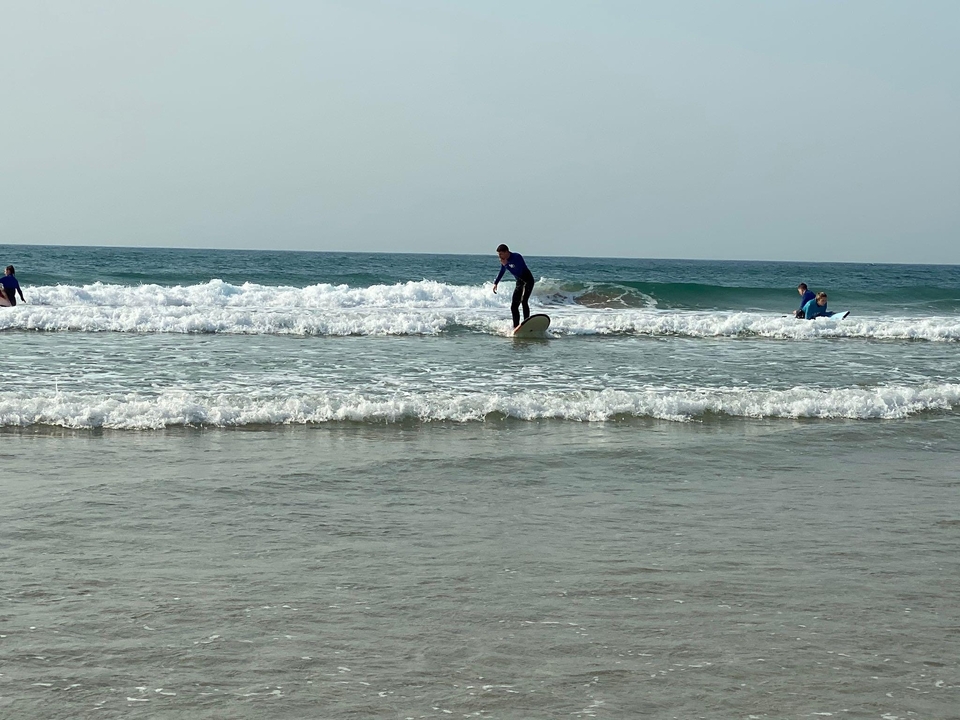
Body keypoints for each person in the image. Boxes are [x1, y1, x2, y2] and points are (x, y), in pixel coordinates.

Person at [492, 244, 535, 330]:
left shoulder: (517, 257)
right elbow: (502, 271)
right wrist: (496, 283)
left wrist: (507, 265)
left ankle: (526, 323)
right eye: (498, 254)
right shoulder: (505, 261)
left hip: (528, 280)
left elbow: (518, 271)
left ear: (506, 252)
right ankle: (516, 327)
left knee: (524, 301)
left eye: (501, 254)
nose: (499, 256)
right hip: (519, 282)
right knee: (514, 306)